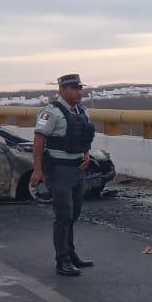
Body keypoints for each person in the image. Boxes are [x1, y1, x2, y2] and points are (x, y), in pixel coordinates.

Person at [30, 73, 96, 277]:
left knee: (74, 214)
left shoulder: (82, 111)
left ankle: (71, 253)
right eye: (75, 88)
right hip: (59, 170)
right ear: (62, 90)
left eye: (80, 88)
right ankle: (62, 260)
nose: (79, 92)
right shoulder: (51, 112)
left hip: (78, 170)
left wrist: (86, 155)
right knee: (63, 216)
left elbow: (84, 137)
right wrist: (38, 169)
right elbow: (39, 140)